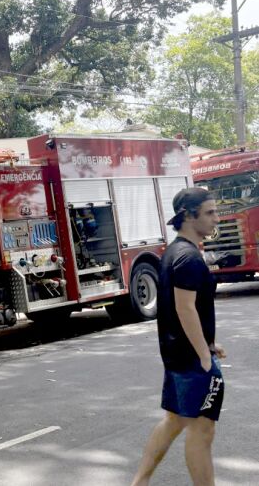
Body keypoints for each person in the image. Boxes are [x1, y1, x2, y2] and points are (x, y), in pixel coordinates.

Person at [131, 188, 226, 486]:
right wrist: (203, 356)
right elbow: (185, 310)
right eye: (209, 213)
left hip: (177, 356)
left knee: (174, 421)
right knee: (202, 431)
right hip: (190, 362)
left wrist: (208, 344)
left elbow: (181, 310)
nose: (216, 219)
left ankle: (139, 482)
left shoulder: (175, 252)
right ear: (188, 215)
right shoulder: (187, 258)